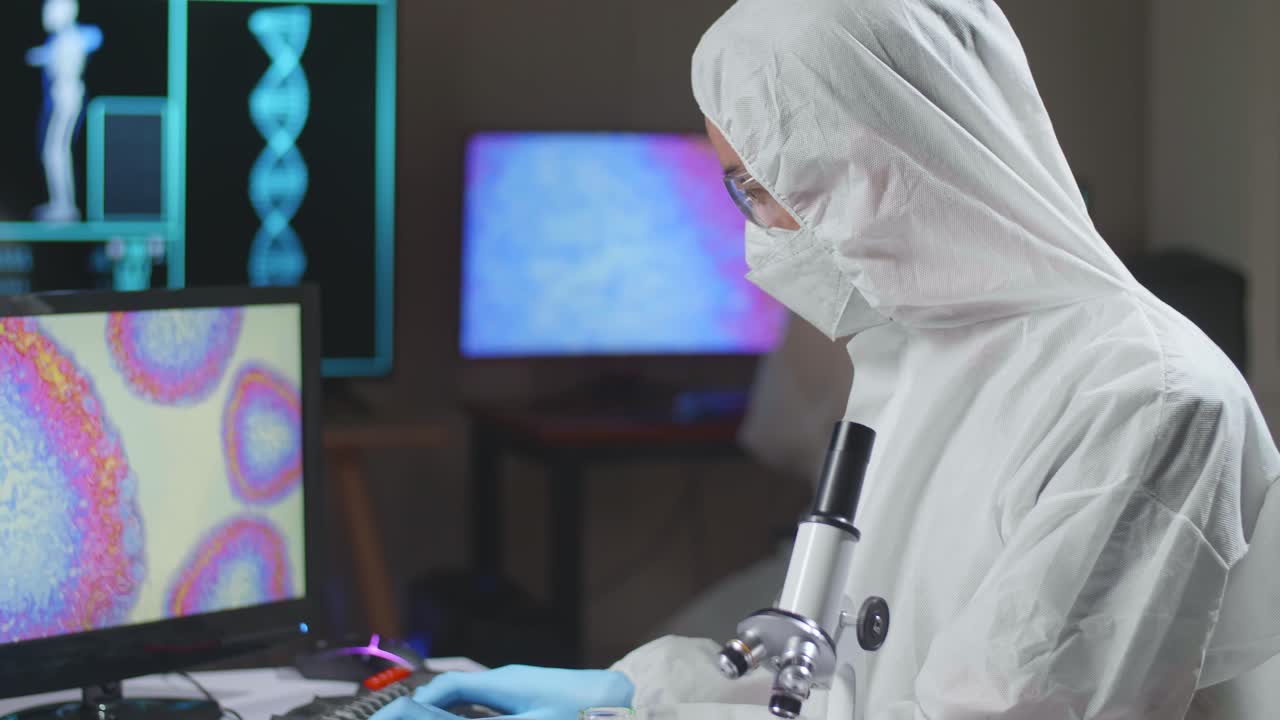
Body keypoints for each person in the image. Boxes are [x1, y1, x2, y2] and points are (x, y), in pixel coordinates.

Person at [377, 0, 1280, 717]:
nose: (759, 233)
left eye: (767, 189)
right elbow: (848, 686)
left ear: (891, 157)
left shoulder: (1148, 402)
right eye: (739, 189)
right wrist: (642, 696)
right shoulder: (919, 360)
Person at [26, 0, 101, 223]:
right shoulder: (60, 41)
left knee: (55, 151)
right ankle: (62, 203)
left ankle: (64, 205)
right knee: (55, 151)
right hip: (65, 96)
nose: (46, 14)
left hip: (67, 97)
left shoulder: (72, 38)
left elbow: (92, 37)